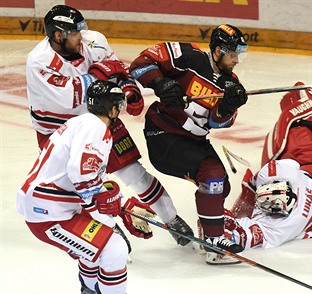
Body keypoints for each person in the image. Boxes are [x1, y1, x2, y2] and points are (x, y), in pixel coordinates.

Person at [25, 5, 193, 244]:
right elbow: (73, 98)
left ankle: (172, 219)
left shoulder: (95, 41)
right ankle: (110, 228)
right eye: (74, 33)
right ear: (58, 35)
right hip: (59, 130)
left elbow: (119, 73)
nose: (80, 37)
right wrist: (103, 73)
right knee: (82, 184)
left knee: (135, 173)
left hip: (100, 118)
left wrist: (129, 90)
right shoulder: (39, 61)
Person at [16, 80, 147, 294]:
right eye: (118, 106)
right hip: (50, 213)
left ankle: (90, 290)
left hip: (51, 206)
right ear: (111, 108)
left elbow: (92, 178)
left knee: (99, 239)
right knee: (114, 247)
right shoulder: (96, 128)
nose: (119, 112)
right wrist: (112, 202)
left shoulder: (80, 123)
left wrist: (122, 205)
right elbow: (82, 173)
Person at [129, 24, 249, 264]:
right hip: (163, 134)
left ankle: (208, 231)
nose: (236, 60)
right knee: (212, 175)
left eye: (239, 55)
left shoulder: (231, 84)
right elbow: (139, 64)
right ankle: (215, 243)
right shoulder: (188, 56)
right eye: (232, 54)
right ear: (217, 51)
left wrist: (227, 106)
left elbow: (217, 123)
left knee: (220, 186)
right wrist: (160, 83)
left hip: (193, 140)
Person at [225, 83, 312, 249]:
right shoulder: (278, 224)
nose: (269, 208)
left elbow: (244, 237)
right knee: (296, 141)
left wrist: (220, 225)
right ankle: (307, 106)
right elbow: (251, 190)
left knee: (283, 153)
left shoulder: (276, 227)